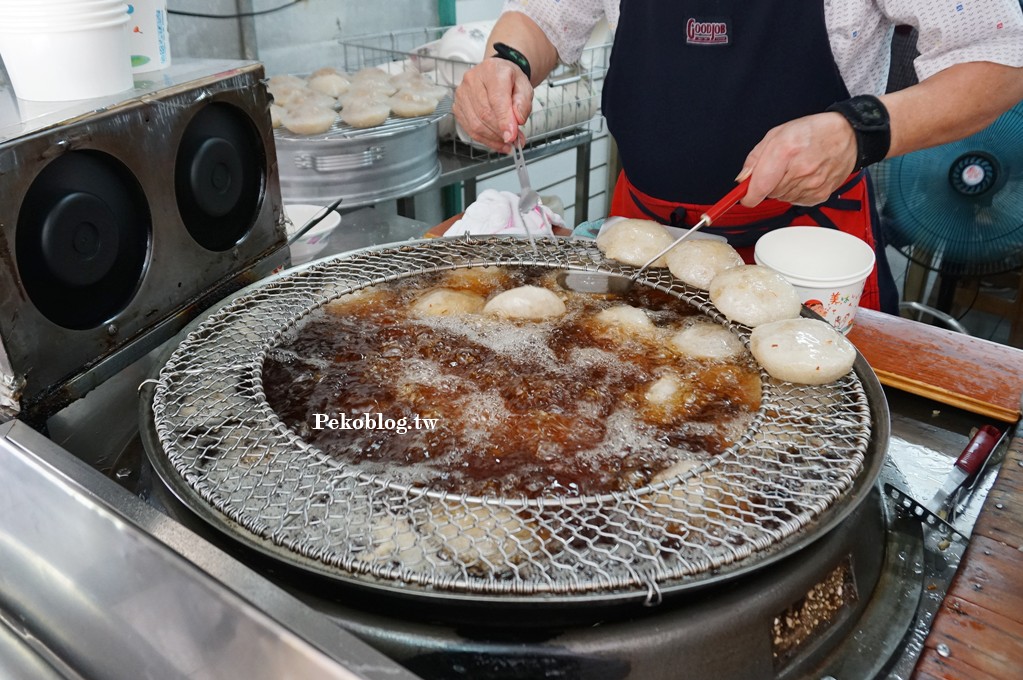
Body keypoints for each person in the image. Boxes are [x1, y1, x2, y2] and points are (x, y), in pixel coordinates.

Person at [453, 1, 1023, 314]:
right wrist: (507, 60)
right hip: (642, 235)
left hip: (806, 246)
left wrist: (860, 131)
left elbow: (999, 56)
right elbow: (543, 16)